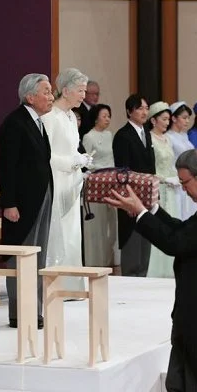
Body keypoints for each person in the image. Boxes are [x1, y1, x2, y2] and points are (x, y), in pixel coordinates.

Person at [105, 149, 197, 392]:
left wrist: (141, 213)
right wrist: (152, 209)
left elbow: (175, 243)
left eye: (184, 182)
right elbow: (181, 231)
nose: (183, 189)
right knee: (183, 378)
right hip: (196, 309)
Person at [0, 73, 54, 329]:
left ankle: (35, 309)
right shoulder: (14, 123)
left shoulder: (39, 123)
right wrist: (9, 203)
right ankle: (19, 312)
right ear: (30, 96)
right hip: (22, 203)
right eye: (46, 91)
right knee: (21, 256)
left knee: (38, 257)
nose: (51, 96)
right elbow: (6, 167)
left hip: (42, 197)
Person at [42, 68, 92, 293]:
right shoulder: (50, 117)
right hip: (57, 180)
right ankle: (55, 286)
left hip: (72, 181)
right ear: (65, 90)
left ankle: (72, 284)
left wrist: (82, 161)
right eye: (80, 90)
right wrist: (73, 161)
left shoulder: (72, 117)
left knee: (73, 233)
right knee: (57, 232)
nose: (84, 95)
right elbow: (46, 155)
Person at [112, 94, 155, 276]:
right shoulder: (123, 135)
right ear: (130, 111)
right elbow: (122, 172)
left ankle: (143, 277)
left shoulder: (146, 132)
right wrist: (128, 199)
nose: (144, 112)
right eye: (140, 108)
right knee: (132, 238)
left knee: (146, 237)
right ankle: (130, 278)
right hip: (131, 195)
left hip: (147, 194)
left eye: (146, 108)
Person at [146, 101, 181, 278]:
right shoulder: (149, 138)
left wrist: (176, 177)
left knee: (171, 223)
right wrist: (165, 179)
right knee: (159, 224)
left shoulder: (167, 139)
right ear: (153, 120)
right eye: (164, 119)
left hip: (171, 187)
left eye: (168, 119)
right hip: (158, 187)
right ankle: (157, 269)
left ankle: (171, 268)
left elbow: (171, 163)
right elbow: (150, 168)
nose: (167, 123)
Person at [81, 104, 118, 267]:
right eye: (104, 116)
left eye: (109, 115)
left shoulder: (110, 135)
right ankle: (95, 260)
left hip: (112, 180)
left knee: (111, 220)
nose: (108, 119)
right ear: (96, 117)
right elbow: (86, 161)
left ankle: (110, 259)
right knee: (98, 222)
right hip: (96, 181)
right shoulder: (89, 137)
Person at [166, 101, 196, 220]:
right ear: (173, 118)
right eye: (184, 118)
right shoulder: (168, 136)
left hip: (190, 178)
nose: (187, 121)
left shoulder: (185, 136)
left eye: (188, 118)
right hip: (177, 179)